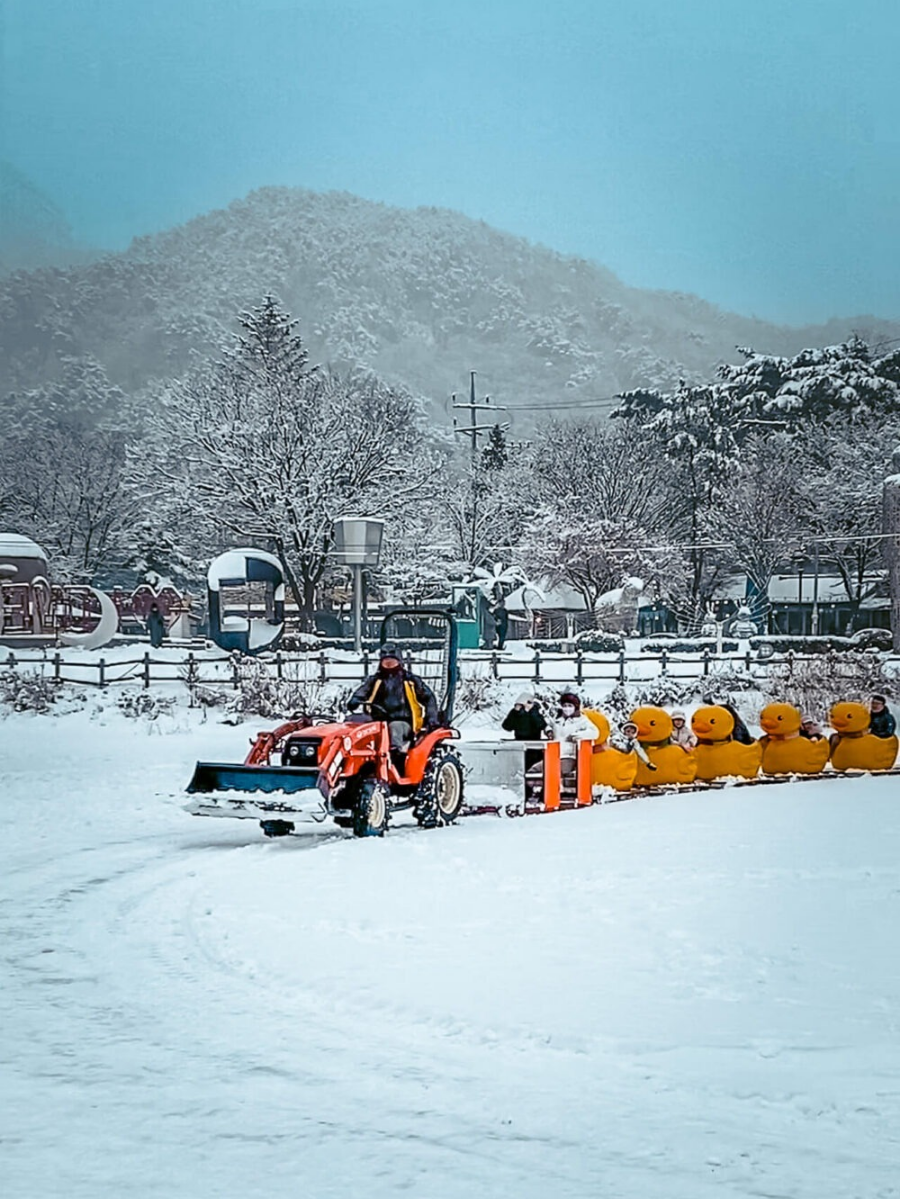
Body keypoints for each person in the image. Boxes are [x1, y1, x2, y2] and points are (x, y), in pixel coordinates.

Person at [347, 643, 441, 756]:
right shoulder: (375, 680)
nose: (389, 664)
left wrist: (432, 718)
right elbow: (363, 691)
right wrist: (355, 700)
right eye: (385, 661)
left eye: (392, 661)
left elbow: (429, 698)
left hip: (403, 720)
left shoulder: (410, 681)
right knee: (351, 723)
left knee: (394, 728)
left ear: (399, 661)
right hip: (376, 720)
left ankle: (396, 756)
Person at [550, 691, 598, 784]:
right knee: (535, 770)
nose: (567, 708)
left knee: (553, 771)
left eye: (570, 706)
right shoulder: (557, 719)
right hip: (553, 754)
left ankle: (555, 791)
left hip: (569, 756)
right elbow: (548, 725)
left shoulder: (581, 720)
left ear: (575, 707)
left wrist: (578, 735)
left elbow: (595, 732)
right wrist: (548, 731)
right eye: (565, 705)